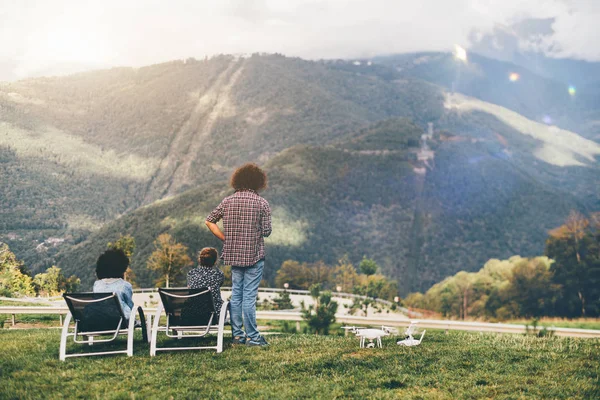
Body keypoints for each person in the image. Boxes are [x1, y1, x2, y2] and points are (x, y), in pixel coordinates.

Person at [205, 163, 272, 346]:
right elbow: (266, 232)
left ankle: (237, 336)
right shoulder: (262, 203)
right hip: (254, 256)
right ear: (258, 182)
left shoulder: (227, 201)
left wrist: (225, 238)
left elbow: (210, 221)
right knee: (249, 297)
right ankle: (253, 337)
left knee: (237, 295)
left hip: (234, 255)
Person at [93, 248, 134, 320]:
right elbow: (130, 305)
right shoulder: (125, 285)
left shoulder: (97, 285)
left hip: (100, 320)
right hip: (120, 321)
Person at [187, 247, 224, 318]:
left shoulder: (191, 273)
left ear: (200, 259)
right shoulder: (218, 274)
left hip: (192, 314)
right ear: (215, 261)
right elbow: (219, 285)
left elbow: (189, 288)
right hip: (212, 316)